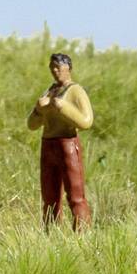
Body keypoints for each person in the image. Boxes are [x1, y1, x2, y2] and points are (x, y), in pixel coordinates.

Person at [27, 51, 94, 231]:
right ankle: (51, 233)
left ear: (68, 68)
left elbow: (86, 121)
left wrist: (63, 107)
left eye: (59, 67)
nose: (55, 71)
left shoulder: (75, 91)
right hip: (48, 144)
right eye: (52, 68)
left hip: (68, 145)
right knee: (49, 196)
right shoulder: (50, 90)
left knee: (75, 195)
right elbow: (32, 125)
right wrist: (39, 111)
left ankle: (83, 234)